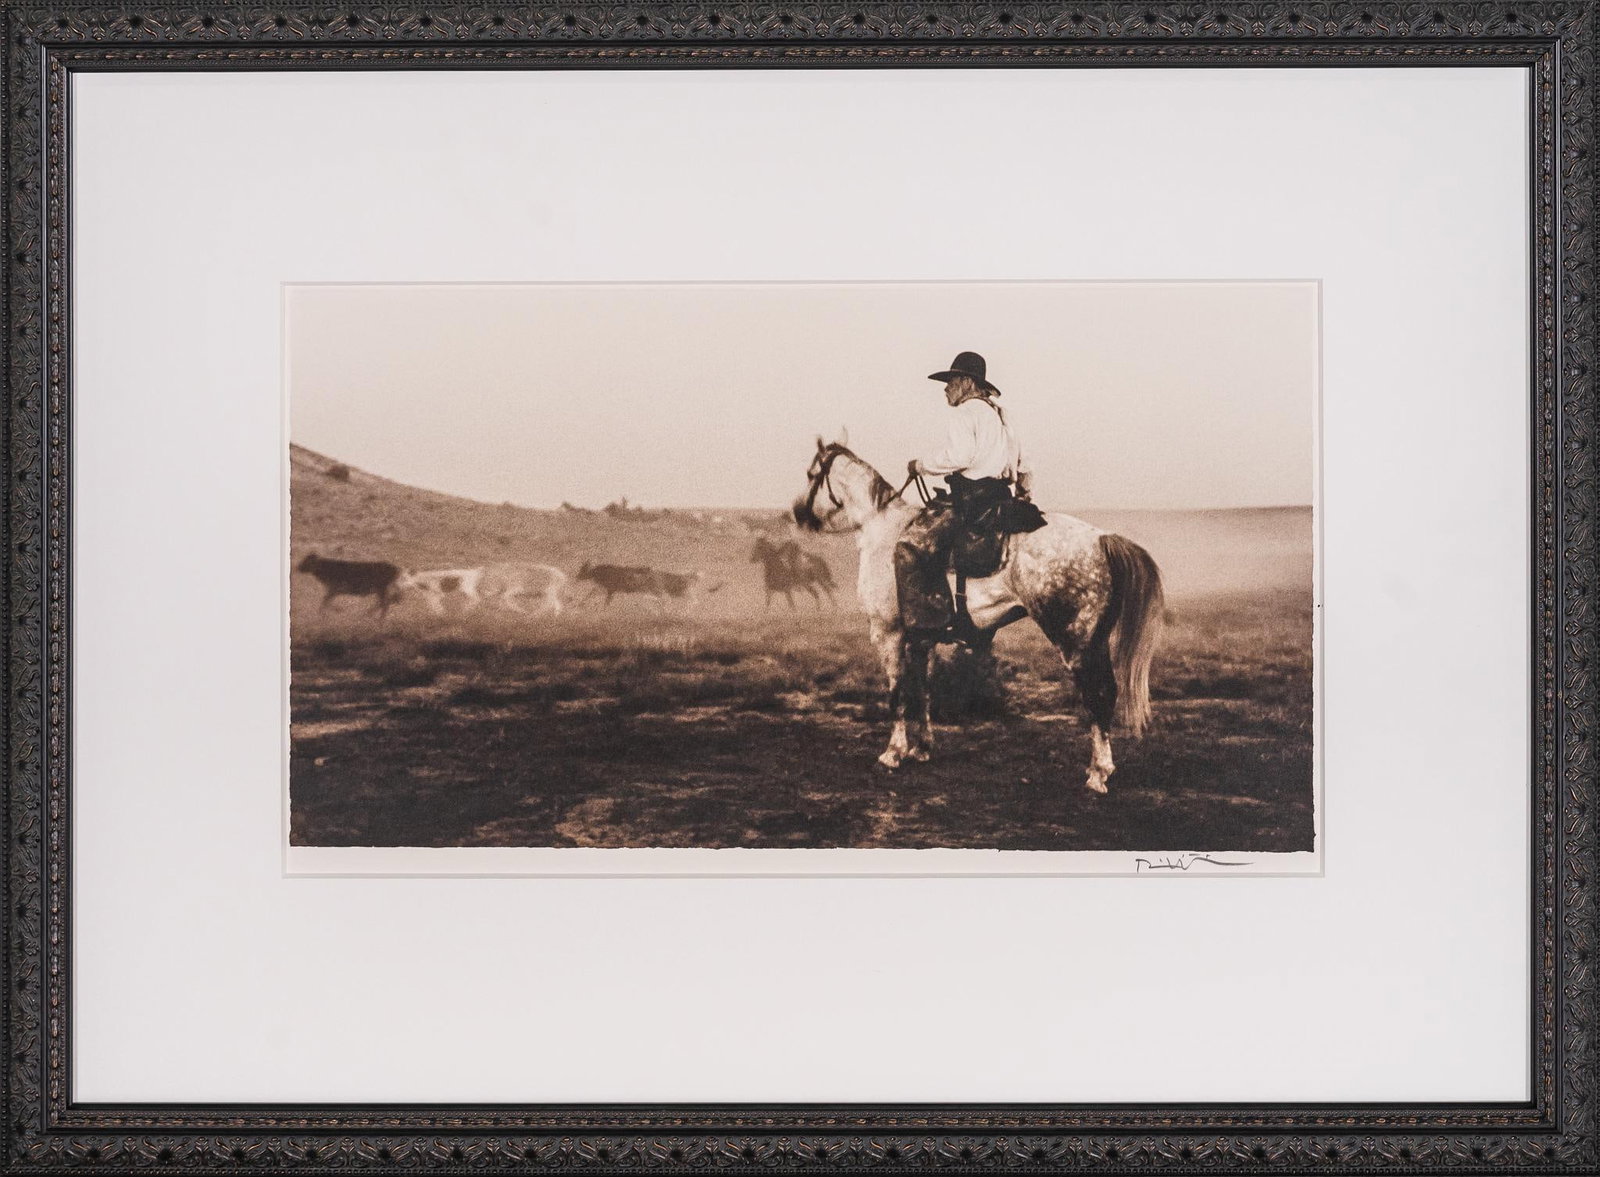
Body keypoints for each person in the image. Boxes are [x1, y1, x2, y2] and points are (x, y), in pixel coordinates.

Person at [894, 351, 1037, 637]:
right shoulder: (1002, 416)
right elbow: (1025, 466)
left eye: (952, 381)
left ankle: (926, 621)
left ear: (968, 384)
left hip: (971, 500)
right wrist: (1023, 492)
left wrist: (921, 465)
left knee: (908, 548)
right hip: (1001, 498)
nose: (946, 389)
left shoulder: (964, 412)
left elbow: (961, 456)